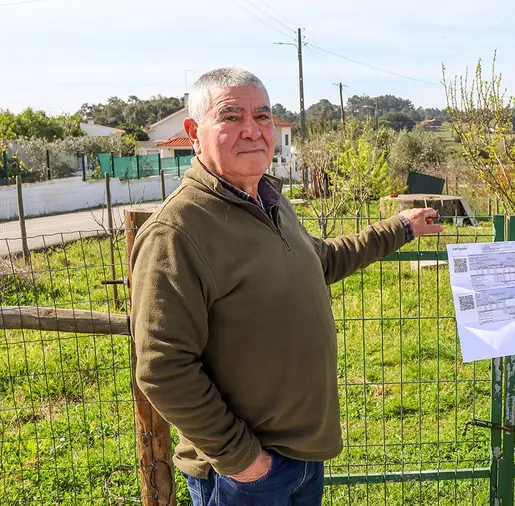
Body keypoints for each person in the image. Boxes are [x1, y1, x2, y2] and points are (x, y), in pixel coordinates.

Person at [129, 67, 443, 506]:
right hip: (244, 474)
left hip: (300, 459)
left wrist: (401, 227)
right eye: (232, 116)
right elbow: (162, 367)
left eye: (262, 116)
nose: (253, 130)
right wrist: (245, 461)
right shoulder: (177, 231)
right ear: (192, 132)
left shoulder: (268, 201)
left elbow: (324, 259)